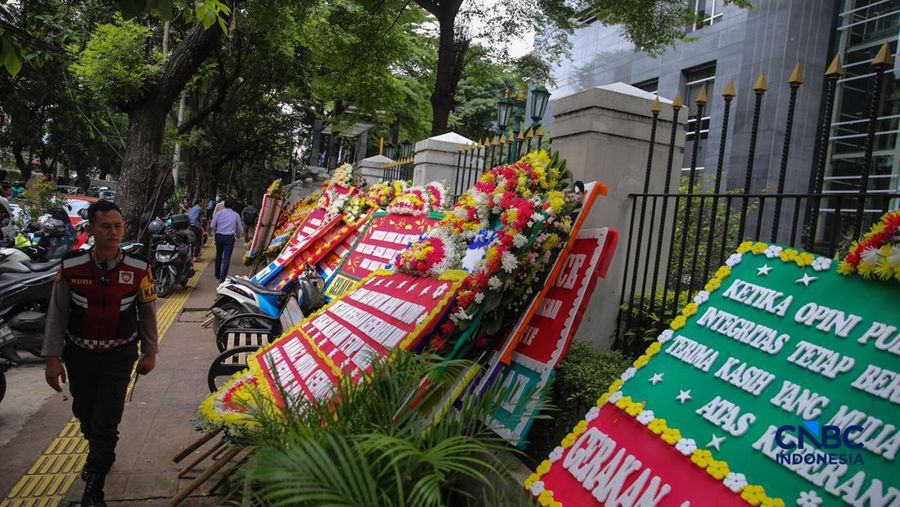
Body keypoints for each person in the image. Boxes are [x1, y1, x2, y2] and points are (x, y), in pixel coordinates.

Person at [42, 200, 158, 507]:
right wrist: (52, 358)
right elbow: (57, 314)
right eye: (105, 226)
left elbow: (147, 314)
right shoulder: (70, 266)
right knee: (85, 412)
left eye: (118, 226)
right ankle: (100, 451)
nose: (113, 232)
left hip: (120, 355)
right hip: (78, 354)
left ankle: (94, 487)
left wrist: (150, 352)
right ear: (91, 229)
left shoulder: (140, 269)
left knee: (107, 418)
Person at [210, 198, 243, 282]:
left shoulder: (218, 214)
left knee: (218, 255)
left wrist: (216, 231)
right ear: (233, 206)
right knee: (227, 257)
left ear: (224, 205)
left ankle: (217, 274)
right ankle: (223, 277)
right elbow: (240, 229)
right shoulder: (236, 215)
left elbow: (212, 225)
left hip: (219, 236)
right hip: (229, 238)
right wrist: (238, 235)